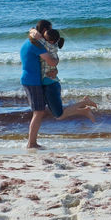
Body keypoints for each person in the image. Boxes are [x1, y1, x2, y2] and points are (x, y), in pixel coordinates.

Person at [28, 27, 97, 123]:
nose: (43, 37)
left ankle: (85, 103)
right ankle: (85, 110)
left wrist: (32, 30)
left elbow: (34, 35)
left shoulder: (47, 46)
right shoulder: (53, 44)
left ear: (51, 41)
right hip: (51, 83)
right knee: (58, 113)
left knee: (59, 115)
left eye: (45, 37)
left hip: (50, 85)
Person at [20, 19, 58, 149]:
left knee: (39, 111)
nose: (51, 32)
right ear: (43, 31)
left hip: (30, 79)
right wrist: (56, 58)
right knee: (38, 112)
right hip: (32, 80)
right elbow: (52, 62)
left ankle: (32, 142)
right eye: (49, 30)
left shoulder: (30, 40)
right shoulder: (37, 45)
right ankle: (31, 143)